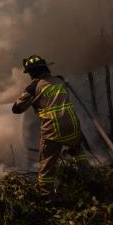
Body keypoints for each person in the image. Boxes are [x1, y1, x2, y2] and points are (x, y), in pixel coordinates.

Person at [12, 55, 89, 193]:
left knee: (47, 163)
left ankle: (46, 196)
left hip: (53, 129)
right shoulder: (60, 81)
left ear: (33, 73)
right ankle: (90, 180)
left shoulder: (34, 87)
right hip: (72, 124)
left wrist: (30, 97)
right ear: (46, 68)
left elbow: (16, 109)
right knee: (78, 151)